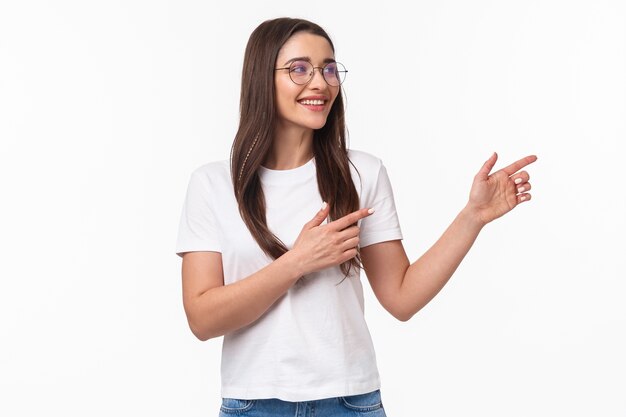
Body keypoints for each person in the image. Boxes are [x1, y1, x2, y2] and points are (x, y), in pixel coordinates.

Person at [175, 17, 536, 417]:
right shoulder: (213, 184)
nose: (320, 82)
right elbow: (202, 319)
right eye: (299, 69)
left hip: (350, 402)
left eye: (329, 68)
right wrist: (297, 262)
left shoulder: (362, 173)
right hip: (252, 404)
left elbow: (401, 297)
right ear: (262, 77)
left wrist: (473, 217)